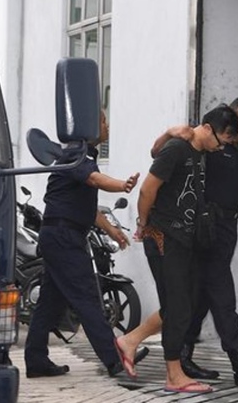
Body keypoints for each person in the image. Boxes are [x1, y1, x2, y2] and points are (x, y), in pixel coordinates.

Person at [150, 96, 238, 385]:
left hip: (227, 228)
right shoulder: (208, 141)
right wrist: (169, 133)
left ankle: (183, 357)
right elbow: (157, 154)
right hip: (200, 226)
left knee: (200, 293)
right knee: (221, 292)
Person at [24, 111, 149, 379]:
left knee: (50, 302)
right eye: (102, 121)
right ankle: (114, 359)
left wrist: (112, 230)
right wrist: (123, 185)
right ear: (90, 126)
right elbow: (94, 180)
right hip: (63, 237)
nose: (107, 125)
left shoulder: (83, 156)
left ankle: (36, 360)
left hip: (60, 234)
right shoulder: (76, 154)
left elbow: (86, 207)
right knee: (87, 296)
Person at [129, 105, 238, 394]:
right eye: (222, 141)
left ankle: (129, 342)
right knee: (179, 307)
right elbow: (147, 189)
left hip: (182, 239)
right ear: (209, 129)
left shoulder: (199, 151)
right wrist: (143, 224)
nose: (221, 148)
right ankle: (173, 374)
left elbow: (156, 153)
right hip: (163, 235)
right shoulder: (177, 149)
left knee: (182, 304)